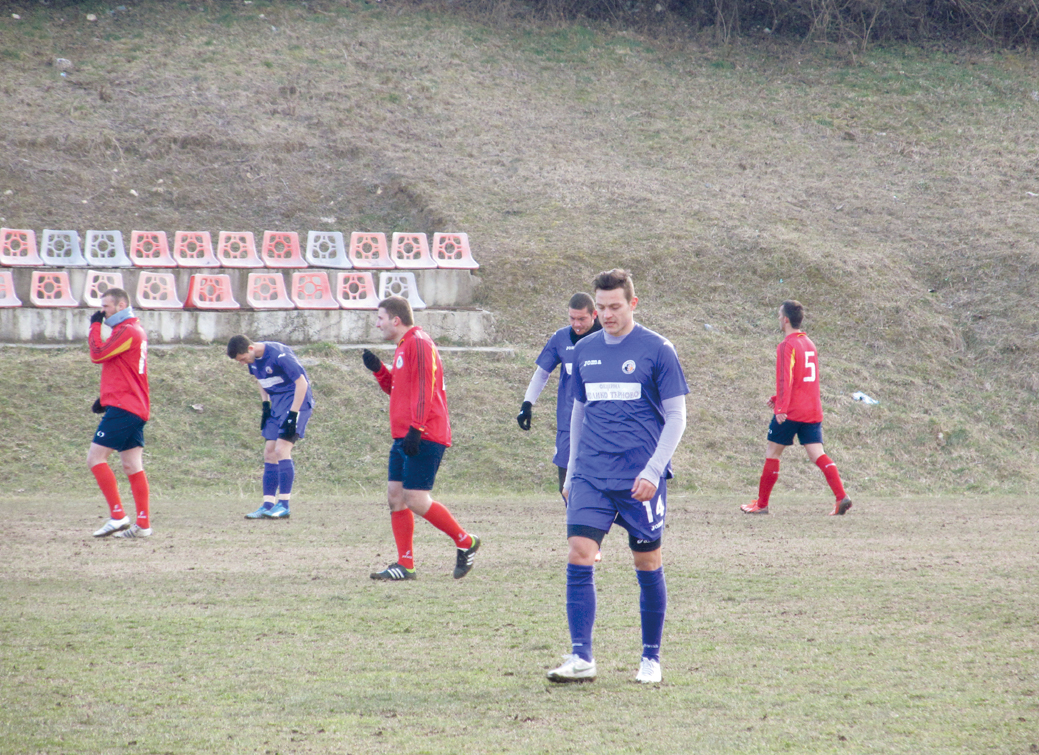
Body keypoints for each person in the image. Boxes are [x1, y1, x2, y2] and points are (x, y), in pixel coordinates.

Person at [547, 269, 689, 685]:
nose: (606, 315)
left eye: (615, 307)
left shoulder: (658, 349)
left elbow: (677, 417)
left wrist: (653, 469)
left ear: (632, 304)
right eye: (601, 307)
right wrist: (571, 471)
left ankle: (650, 658)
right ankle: (581, 656)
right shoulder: (585, 351)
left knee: (646, 561)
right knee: (579, 551)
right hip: (591, 472)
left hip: (639, 479)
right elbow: (578, 411)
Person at [361, 295, 480, 581]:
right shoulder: (404, 346)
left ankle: (466, 541)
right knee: (395, 497)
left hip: (424, 433)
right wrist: (379, 370)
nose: (377, 325)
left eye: (380, 318)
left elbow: (426, 388)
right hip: (404, 435)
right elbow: (399, 390)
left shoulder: (419, 342)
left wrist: (417, 428)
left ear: (396, 320)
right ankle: (406, 565)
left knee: (414, 498)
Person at [741, 300, 853, 516]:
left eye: (778, 315)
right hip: (812, 410)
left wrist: (780, 406)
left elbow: (786, 379)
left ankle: (761, 504)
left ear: (785, 319)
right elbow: (801, 379)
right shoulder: (809, 343)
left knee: (772, 453)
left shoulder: (787, 345)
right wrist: (778, 397)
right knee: (817, 454)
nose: (778, 319)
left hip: (791, 411)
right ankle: (841, 496)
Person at [516, 292, 601, 499]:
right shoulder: (561, 338)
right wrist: (527, 403)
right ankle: (575, 526)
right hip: (568, 421)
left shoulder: (608, 338)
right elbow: (542, 373)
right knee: (566, 486)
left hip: (601, 422)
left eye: (582, 319)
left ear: (594, 315)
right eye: (572, 318)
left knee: (597, 483)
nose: (577, 324)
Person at [88, 288, 153, 539]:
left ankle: (118, 516)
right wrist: (106, 398)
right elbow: (121, 367)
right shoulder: (128, 330)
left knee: (95, 458)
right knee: (131, 464)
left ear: (121, 305)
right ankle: (143, 525)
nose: (102, 312)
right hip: (131, 405)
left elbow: (98, 354)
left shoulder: (128, 330)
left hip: (127, 407)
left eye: (106, 306)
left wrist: (94, 327)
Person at [226, 335, 314, 520]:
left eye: (242, 359)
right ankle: (267, 505)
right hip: (277, 405)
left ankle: (284, 504)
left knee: (282, 449)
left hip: (296, 404)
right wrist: (265, 405)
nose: (242, 363)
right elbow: (261, 379)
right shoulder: (253, 360)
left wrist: (293, 414)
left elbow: (302, 383)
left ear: (250, 348)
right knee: (269, 452)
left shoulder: (280, 355)